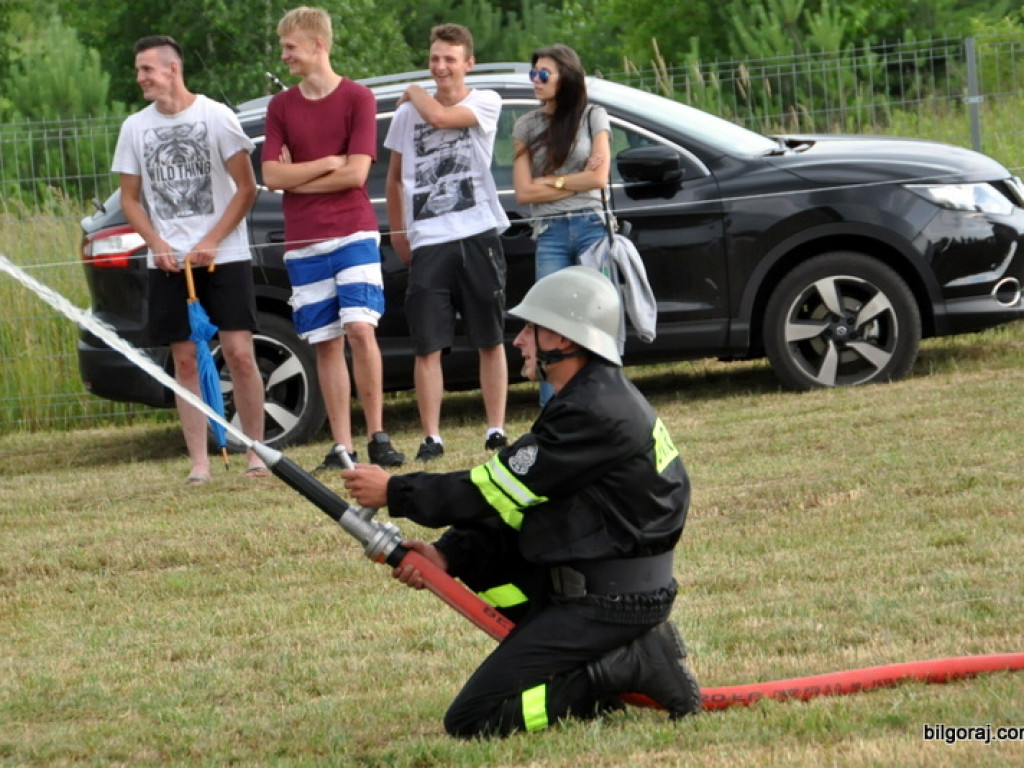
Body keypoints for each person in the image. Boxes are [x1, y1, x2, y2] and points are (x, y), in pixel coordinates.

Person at [342, 266, 701, 737]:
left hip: (612, 600)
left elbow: (487, 489)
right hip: (610, 584)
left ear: (567, 340)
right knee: (486, 556)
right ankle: (602, 665)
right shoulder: (592, 397)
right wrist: (447, 554)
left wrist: (395, 492)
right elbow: (517, 505)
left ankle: (617, 669)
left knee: (474, 720)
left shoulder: (592, 412)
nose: (520, 341)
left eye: (532, 328)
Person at [112, 35, 269, 486]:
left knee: (239, 354)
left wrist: (215, 240)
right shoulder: (134, 128)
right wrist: (156, 243)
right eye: (139, 70)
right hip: (168, 263)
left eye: (147, 69)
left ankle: (255, 451)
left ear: (172, 69)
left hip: (226, 257)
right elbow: (130, 198)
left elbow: (246, 187)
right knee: (184, 361)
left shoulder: (216, 117)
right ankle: (199, 463)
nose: (140, 78)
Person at [262, 6, 404, 470]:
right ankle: (343, 445)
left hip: (354, 230)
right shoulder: (280, 107)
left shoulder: (358, 98)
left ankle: (378, 434)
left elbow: (358, 173)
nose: (285, 56)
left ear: (318, 44)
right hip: (304, 240)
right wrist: (326, 164)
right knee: (325, 341)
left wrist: (297, 177)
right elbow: (270, 174)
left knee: (361, 329)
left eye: (290, 48)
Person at [384, 23, 510, 461]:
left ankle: (495, 428)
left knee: (490, 337)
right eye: (434, 58)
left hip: (477, 232)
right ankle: (432, 436)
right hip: (429, 239)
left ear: (468, 64)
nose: (440, 67)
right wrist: (401, 234)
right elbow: (395, 177)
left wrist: (413, 90)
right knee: (428, 343)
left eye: (449, 59)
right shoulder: (406, 116)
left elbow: (440, 116)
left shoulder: (486, 102)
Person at [512, 44, 612, 406]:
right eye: (533, 73)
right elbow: (523, 191)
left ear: (566, 77)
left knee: (597, 320)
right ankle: (552, 414)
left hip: (591, 227)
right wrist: (573, 179)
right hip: (550, 232)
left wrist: (551, 182)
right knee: (547, 325)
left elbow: (599, 178)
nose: (536, 81)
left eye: (544, 74)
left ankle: (603, 407)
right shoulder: (526, 125)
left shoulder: (593, 116)